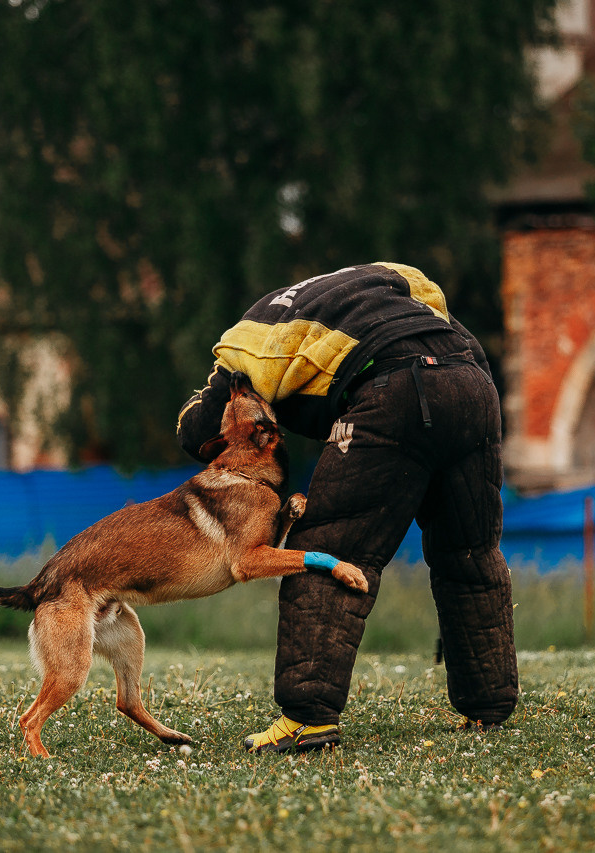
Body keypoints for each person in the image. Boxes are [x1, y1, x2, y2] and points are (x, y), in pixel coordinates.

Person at [177, 262, 518, 752]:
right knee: (469, 551)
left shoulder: (249, 339)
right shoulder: (392, 278)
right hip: (475, 390)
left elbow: (199, 434)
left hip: (392, 392)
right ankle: (489, 705)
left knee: (329, 548)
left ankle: (308, 718)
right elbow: (455, 333)